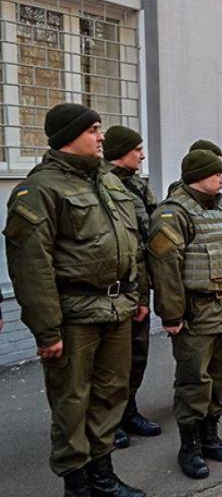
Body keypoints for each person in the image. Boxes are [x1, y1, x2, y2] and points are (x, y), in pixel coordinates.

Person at [5, 103, 144, 497]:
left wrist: (135, 294)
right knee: (72, 401)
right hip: (74, 315)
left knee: (110, 393)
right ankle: (77, 484)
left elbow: (131, 244)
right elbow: (31, 266)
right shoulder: (39, 190)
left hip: (116, 308)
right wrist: (47, 330)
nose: (102, 137)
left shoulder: (107, 181)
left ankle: (103, 475)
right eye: (93, 130)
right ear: (69, 136)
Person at [147, 149, 222, 479]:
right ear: (198, 176)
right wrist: (172, 316)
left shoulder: (218, 208)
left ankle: (210, 437)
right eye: (217, 173)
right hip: (197, 312)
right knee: (194, 381)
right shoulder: (172, 214)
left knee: (221, 377)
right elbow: (166, 269)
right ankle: (189, 447)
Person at [102, 126, 162, 450]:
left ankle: (129, 410)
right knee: (112, 362)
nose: (142, 155)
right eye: (137, 149)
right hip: (116, 287)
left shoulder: (138, 186)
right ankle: (108, 420)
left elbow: (150, 232)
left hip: (140, 283)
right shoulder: (101, 184)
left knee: (137, 355)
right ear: (120, 151)